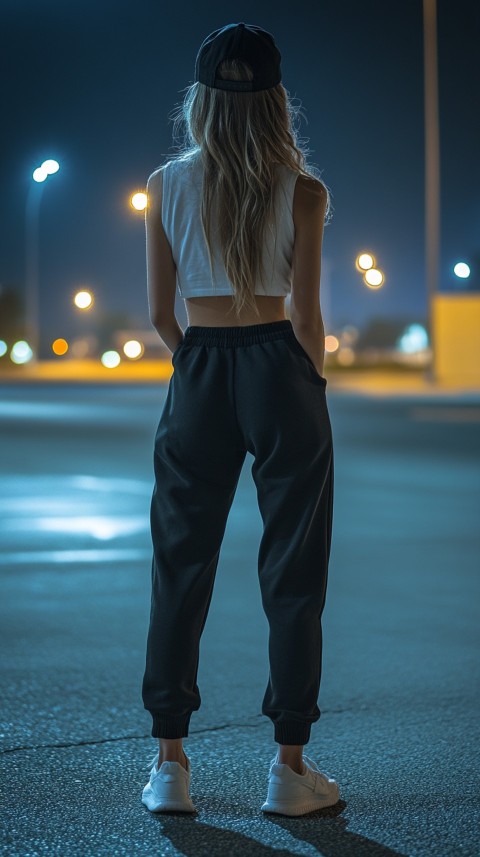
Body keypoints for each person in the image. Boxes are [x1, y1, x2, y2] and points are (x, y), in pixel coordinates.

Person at [141, 22, 340, 817]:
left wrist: (199, 366)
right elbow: (310, 315)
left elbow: (161, 312)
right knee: (294, 569)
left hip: (201, 360)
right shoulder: (304, 189)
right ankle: (290, 770)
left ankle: (169, 766)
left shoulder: (164, 184)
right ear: (275, 101)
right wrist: (307, 382)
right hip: (279, 367)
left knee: (180, 560)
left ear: (201, 100)